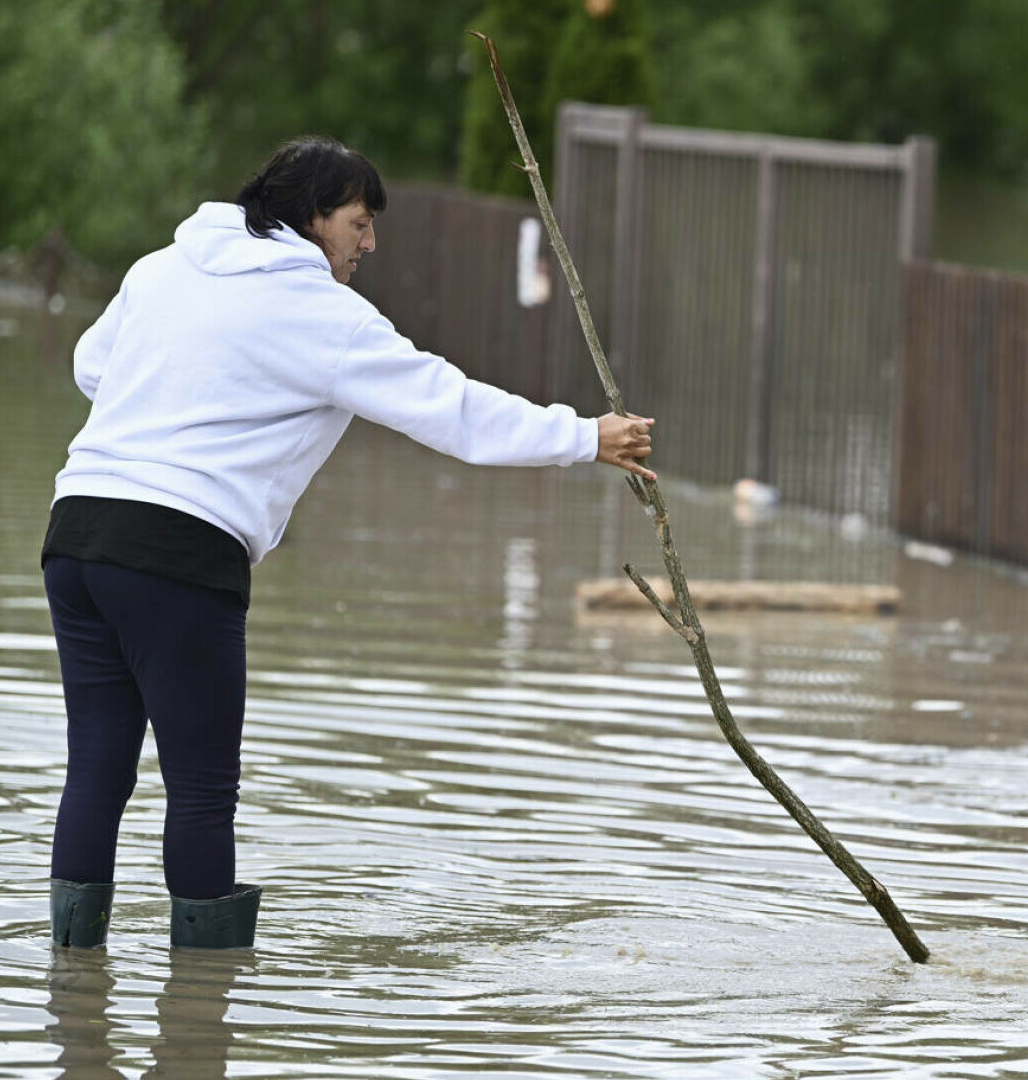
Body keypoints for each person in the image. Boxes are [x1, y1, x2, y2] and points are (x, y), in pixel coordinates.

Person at [43, 136, 654, 950]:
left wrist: (191, 388)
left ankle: (72, 994)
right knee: (200, 790)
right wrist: (585, 437)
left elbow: (93, 366)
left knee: (97, 767)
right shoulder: (323, 316)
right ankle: (201, 1020)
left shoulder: (163, 267)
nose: (370, 243)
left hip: (77, 531)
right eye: (360, 223)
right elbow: (452, 410)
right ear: (312, 216)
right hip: (177, 555)